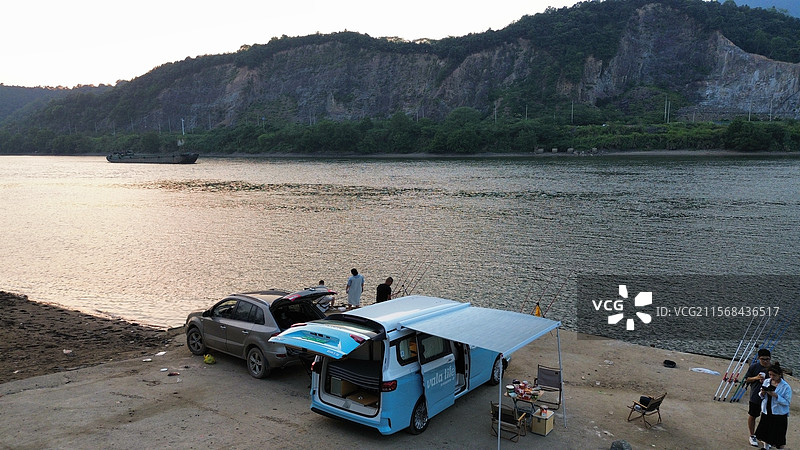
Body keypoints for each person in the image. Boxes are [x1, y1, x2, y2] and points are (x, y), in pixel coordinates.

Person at [755, 362, 792, 449]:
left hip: (779, 413)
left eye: (774, 375)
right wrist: (763, 393)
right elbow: (761, 395)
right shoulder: (767, 381)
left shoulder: (786, 387)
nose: (771, 377)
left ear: (779, 375)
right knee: (766, 432)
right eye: (770, 374)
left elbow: (787, 402)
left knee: (779, 436)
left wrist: (776, 396)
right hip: (767, 410)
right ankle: (766, 447)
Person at [745, 349, 773, 447]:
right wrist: (756, 378)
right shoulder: (754, 367)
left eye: (767, 359)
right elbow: (746, 379)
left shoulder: (773, 368)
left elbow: (780, 381)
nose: (765, 361)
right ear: (758, 358)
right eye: (763, 359)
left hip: (769, 397)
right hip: (756, 396)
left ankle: (765, 437)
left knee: (768, 418)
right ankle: (752, 435)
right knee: (753, 415)